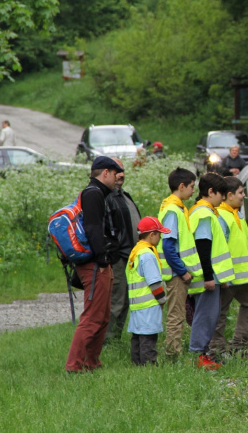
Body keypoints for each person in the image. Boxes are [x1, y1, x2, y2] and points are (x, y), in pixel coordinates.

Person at [65, 156, 123, 373]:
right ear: (104, 173)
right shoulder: (93, 193)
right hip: (94, 264)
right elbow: (92, 228)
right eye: (115, 172)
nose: (118, 177)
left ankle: (92, 363)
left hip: (99, 263)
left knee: (103, 315)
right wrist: (102, 258)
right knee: (92, 316)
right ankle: (74, 366)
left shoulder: (98, 193)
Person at [187, 172, 236, 368]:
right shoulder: (204, 214)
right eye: (220, 194)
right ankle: (198, 355)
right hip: (206, 278)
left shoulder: (201, 211)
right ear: (210, 192)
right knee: (205, 316)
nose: (223, 198)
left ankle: (202, 354)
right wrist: (209, 277)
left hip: (210, 276)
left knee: (209, 316)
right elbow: (203, 247)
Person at [210, 176, 248, 356]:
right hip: (228, 277)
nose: (243, 196)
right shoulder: (221, 216)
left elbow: (242, 245)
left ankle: (238, 346)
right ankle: (216, 350)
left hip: (242, 276)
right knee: (220, 313)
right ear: (229, 195)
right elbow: (217, 250)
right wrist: (221, 276)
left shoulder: (236, 214)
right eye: (241, 192)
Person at [158, 167, 201, 359]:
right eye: (192, 187)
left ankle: (173, 353)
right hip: (175, 274)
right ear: (181, 186)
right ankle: (173, 356)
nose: (193, 191)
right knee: (176, 315)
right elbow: (168, 246)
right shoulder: (173, 211)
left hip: (177, 272)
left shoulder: (176, 208)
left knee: (178, 314)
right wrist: (182, 271)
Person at [105, 158, 142, 342]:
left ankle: (116, 339)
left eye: (122, 170)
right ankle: (109, 341)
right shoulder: (106, 196)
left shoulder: (123, 194)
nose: (121, 174)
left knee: (126, 300)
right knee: (116, 301)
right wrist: (116, 253)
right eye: (116, 170)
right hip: (117, 259)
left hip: (129, 257)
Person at [126, 216, 169, 366]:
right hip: (149, 304)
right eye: (159, 234)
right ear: (152, 235)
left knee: (137, 338)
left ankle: (136, 365)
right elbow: (155, 283)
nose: (160, 237)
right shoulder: (148, 255)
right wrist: (163, 300)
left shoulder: (136, 251)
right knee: (148, 339)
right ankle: (150, 367)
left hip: (136, 305)